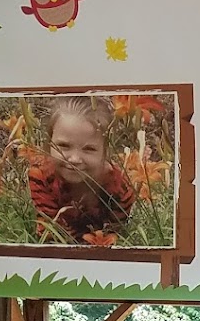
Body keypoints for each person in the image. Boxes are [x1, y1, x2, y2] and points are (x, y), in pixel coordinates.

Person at [25, 95, 134, 243]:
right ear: (49, 143)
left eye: (89, 149)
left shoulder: (120, 189)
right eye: (63, 146)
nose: (74, 159)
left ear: (106, 152)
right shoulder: (40, 176)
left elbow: (115, 237)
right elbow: (50, 233)